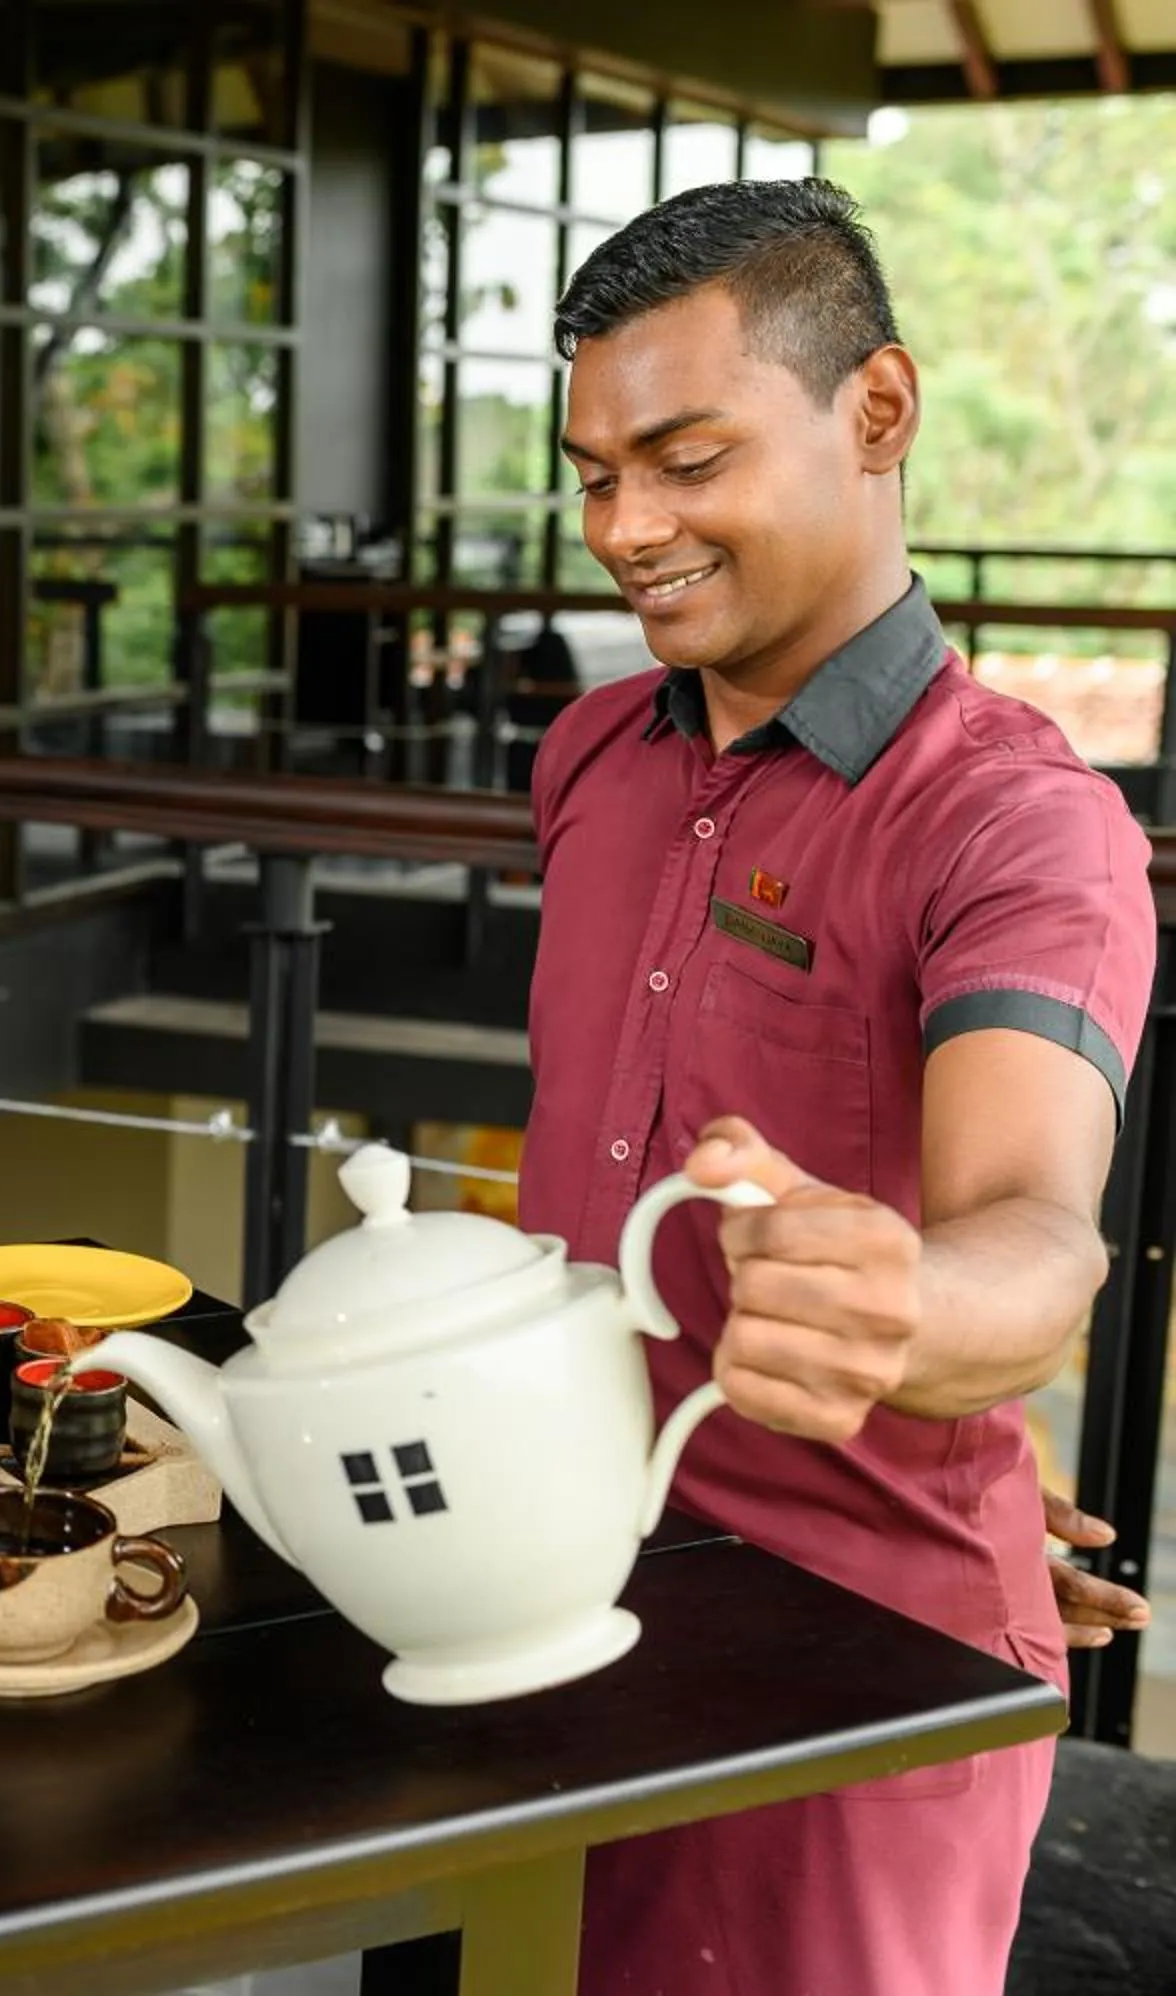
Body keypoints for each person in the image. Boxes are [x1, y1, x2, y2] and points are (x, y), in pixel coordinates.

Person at [536, 179, 1156, 1996]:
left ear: (875, 412)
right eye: (592, 474)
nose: (624, 527)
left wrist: (925, 1326)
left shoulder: (1021, 821)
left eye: (685, 458)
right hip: (557, 1595)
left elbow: (1033, 1230)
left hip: (854, 1681)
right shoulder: (590, 755)